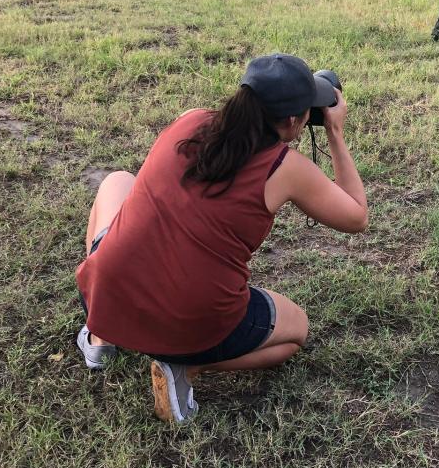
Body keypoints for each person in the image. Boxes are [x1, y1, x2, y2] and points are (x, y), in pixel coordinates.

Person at [74, 54, 368, 424]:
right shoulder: (286, 168)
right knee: (296, 331)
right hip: (193, 319)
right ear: (294, 120)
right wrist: (335, 133)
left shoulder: (191, 119)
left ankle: (100, 340)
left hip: (107, 295)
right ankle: (185, 367)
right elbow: (357, 217)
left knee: (117, 182)